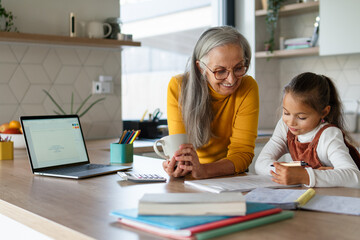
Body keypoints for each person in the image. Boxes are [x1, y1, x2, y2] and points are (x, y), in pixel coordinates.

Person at [163, 26, 259, 179]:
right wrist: (177, 164)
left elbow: (242, 152)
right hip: (192, 176)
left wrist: (204, 170)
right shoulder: (179, 86)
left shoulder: (248, 86)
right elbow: (180, 148)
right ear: (200, 68)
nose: (232, 79)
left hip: (231, 176)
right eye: (220, 71)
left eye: (238, 68)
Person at [255, 72, 360, 188]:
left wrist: (304, 176)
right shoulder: (285, 127)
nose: (291, 122)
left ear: (324, 112)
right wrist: (289, 172)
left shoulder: (329, 135)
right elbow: (261, 163)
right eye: (286, 113)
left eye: (301, 117)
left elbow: (354, 177)